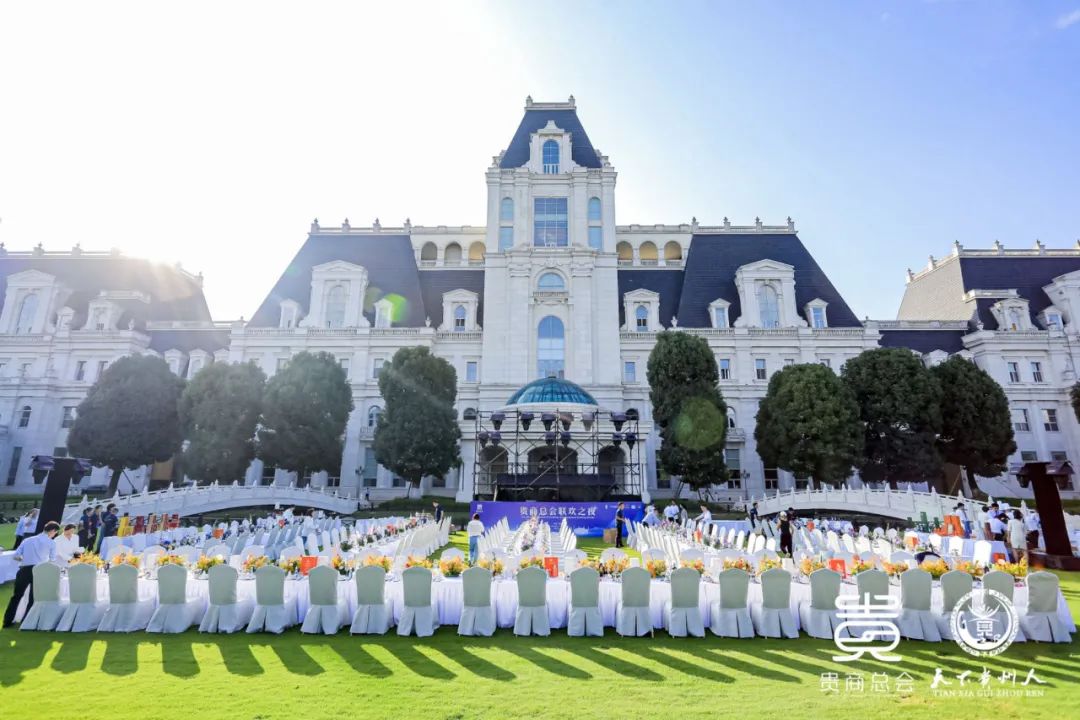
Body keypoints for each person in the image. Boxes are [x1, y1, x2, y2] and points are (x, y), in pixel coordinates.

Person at [3, 520, 60, 628]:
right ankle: (26, 622)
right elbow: (52, 559)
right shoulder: (51, 543)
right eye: (55, 532)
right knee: (33, 598)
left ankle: (7, 621)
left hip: (24, 569)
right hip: (39, 570)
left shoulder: (28, 540)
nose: (55, 535)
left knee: (16, 596)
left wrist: (25, 559)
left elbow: (16, 555)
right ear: (52, 530)